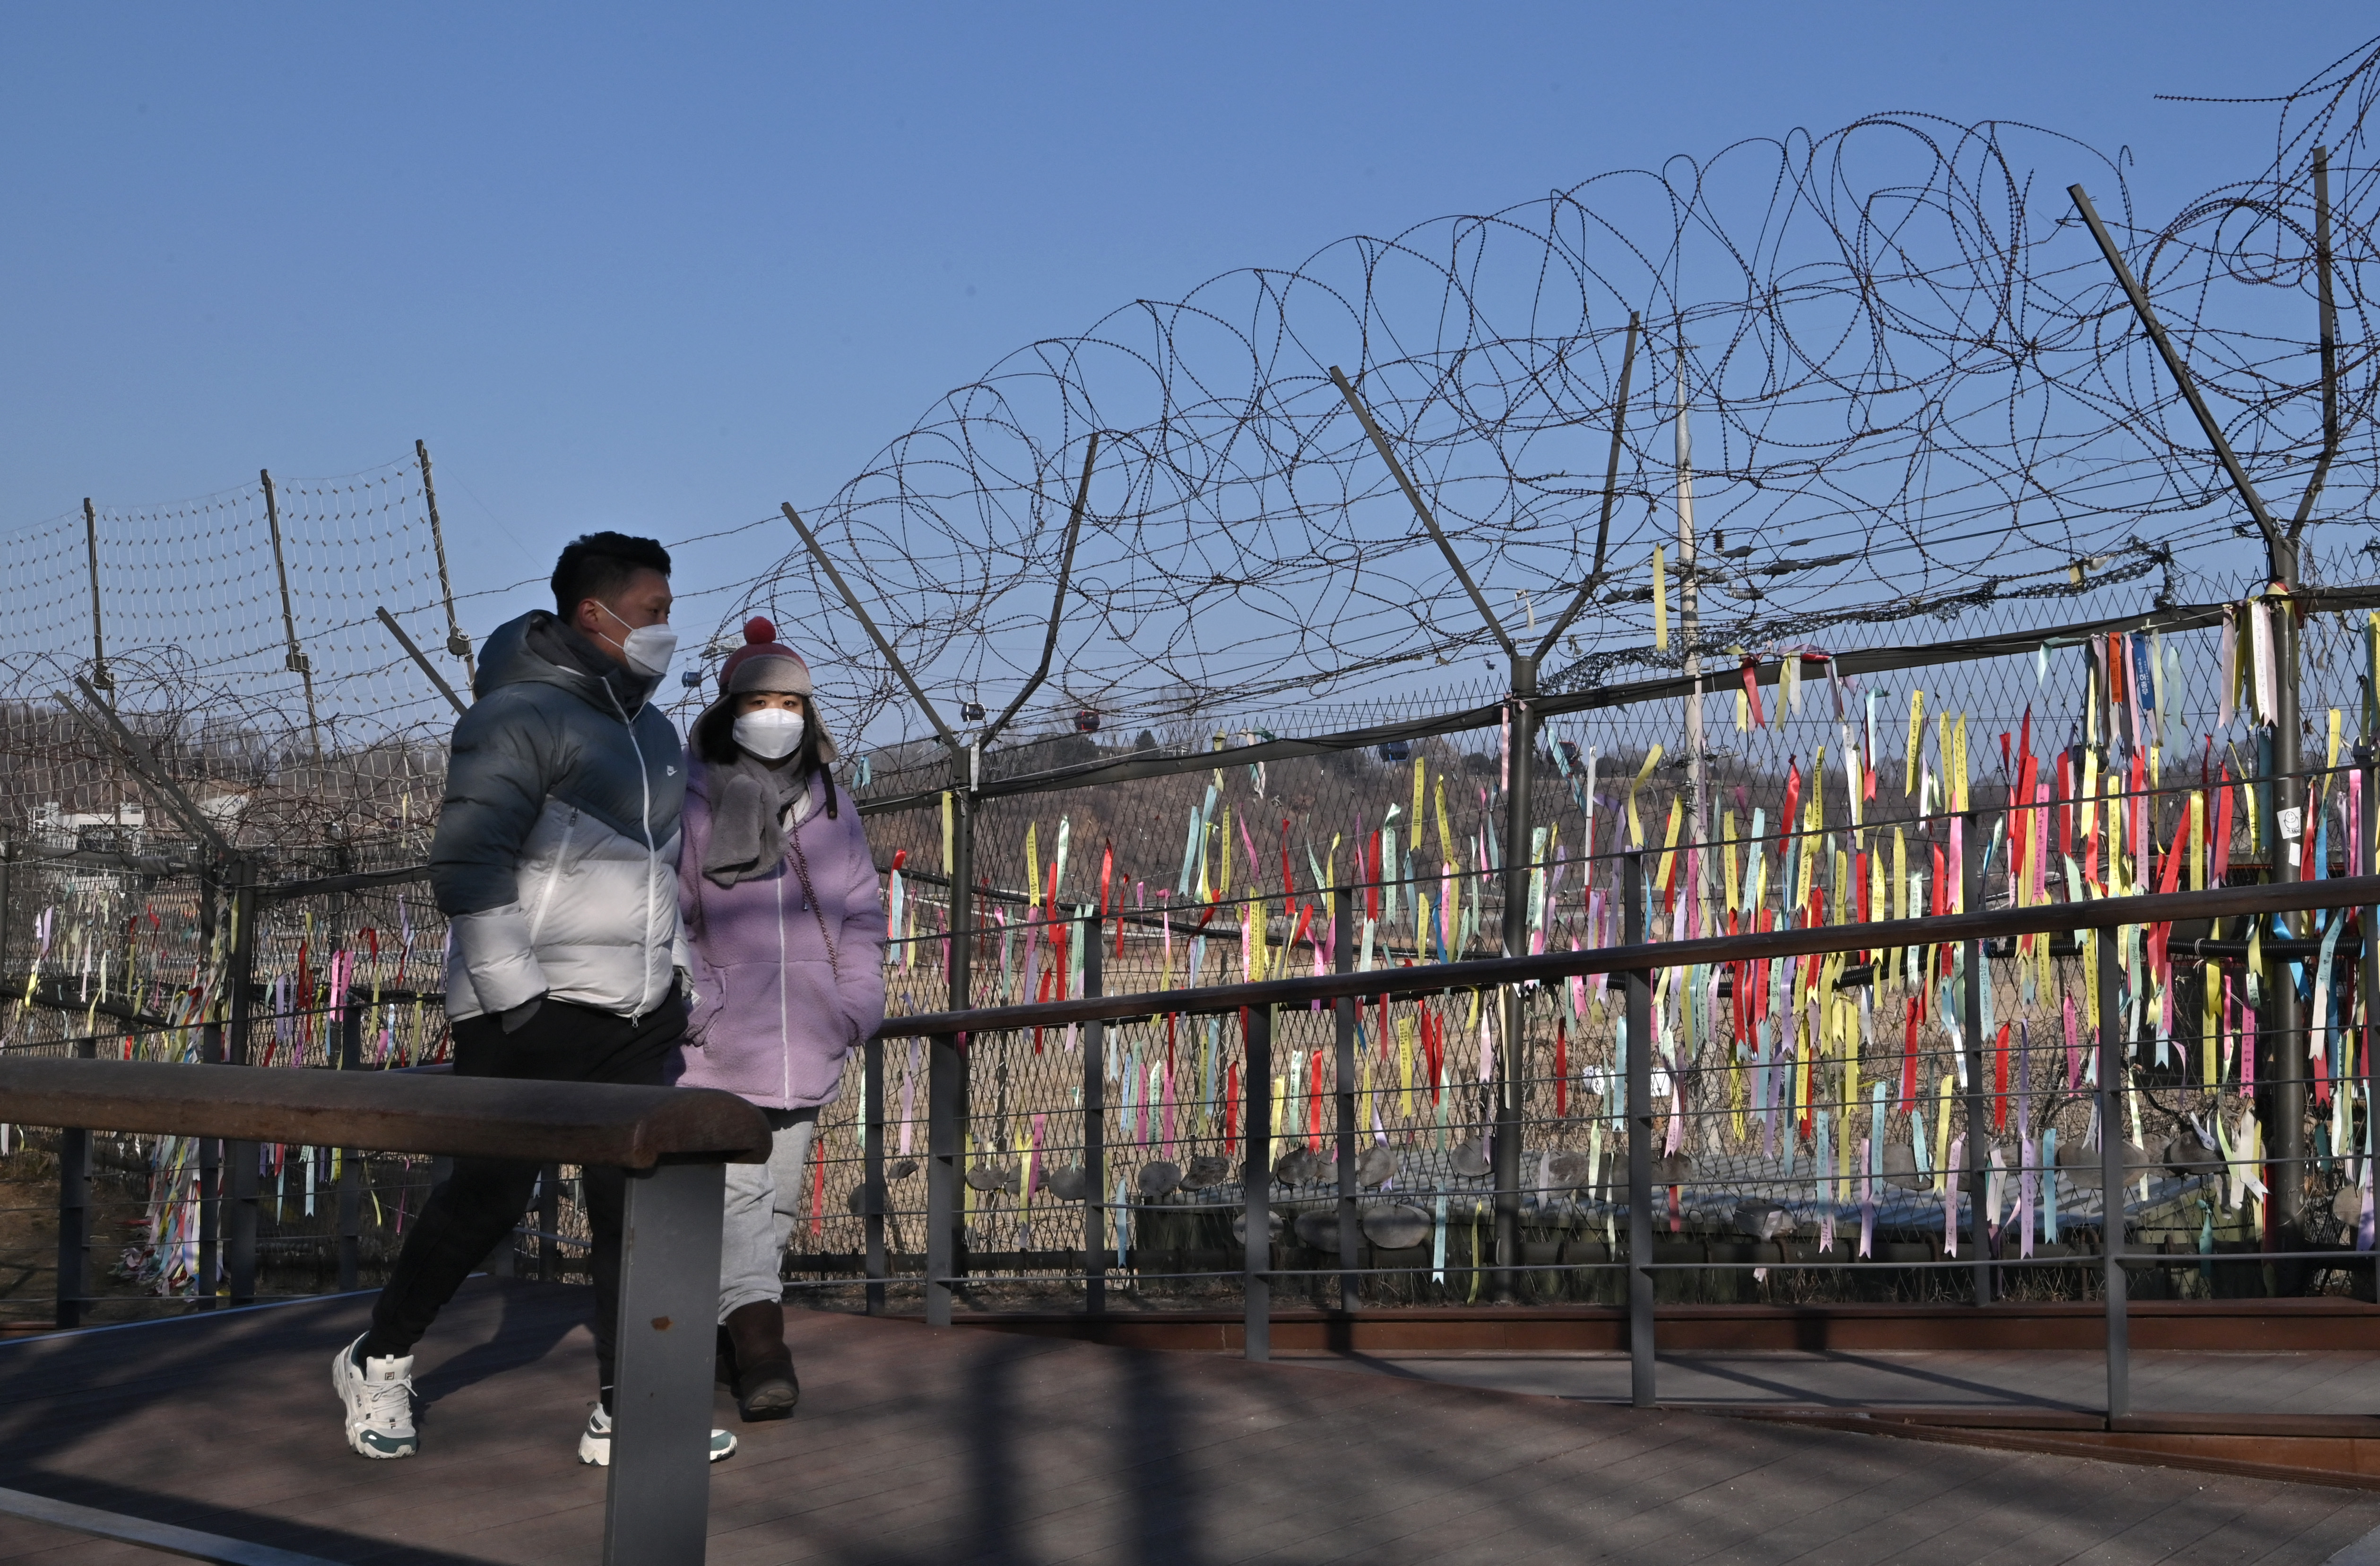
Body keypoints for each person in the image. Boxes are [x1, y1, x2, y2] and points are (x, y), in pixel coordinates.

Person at [332, 531, 735, 1467]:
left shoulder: (655, 732)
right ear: (594, 615)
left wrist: (676, 980)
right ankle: (380, 1357)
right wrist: (518, 999)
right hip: (530, 1008)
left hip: (637, 1013)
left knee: (631, 1213)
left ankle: (625, 1404)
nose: (668, 627)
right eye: (655, 611)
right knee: (486, 1197)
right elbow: (467, 863)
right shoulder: (514, 717)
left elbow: (658, 873)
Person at [669, 617, 886, 1420]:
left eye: (789, 702)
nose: (776, 716)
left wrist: (856, 1004)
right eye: (759, 700)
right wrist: (699, 1004)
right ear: (728, 708)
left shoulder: (833, 804)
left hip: (811, 1042)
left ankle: (728, 1338)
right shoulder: (689, 799)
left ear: (809, 712)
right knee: (736, 1201)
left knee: (781, 1207)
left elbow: (862, 912)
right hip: (721, 1045)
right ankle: (765, 1350)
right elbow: (668, 913)